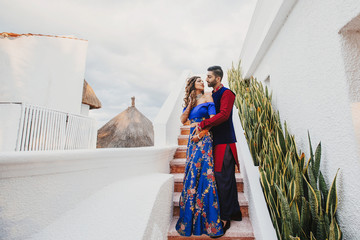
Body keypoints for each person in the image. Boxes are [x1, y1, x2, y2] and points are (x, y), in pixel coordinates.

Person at [194, 66, 242, 233]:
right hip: (214, 143)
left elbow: (223, 115)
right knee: (222, 179)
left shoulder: (227, 93)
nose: (206, 79)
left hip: (225, 143)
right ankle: (234, 212)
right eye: (206, 77)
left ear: (218, 78)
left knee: (224, 179)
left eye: (209, 77)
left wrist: (203, 124)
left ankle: (225, 218)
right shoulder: (212, 96)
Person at [175, 76, 224, 238]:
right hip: (191, 139)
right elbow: (183, 120)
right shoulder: (192, 101)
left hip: (203, 138)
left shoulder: (208, 96)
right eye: (199, 81)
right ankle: (189, 221)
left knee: (205, 174)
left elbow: (213, 119)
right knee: (191, 174)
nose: (202, 83)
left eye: (203, 81)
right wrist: (190, 103)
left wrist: (201, 134)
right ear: (192, 86)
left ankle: (210, 224)